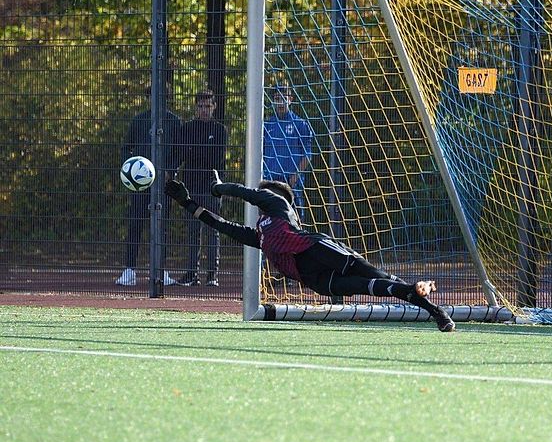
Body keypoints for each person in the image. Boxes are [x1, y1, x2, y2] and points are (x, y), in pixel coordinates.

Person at [163, 174, 455, 332]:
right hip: (312, 276)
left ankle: (436, 312)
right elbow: (222, 225)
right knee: (370, 286)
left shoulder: (278, 206)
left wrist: (219, 188)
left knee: (378, 279)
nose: (258, 193)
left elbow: (248, 193)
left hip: (319, 249)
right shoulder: (261, 235)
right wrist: (187, 202)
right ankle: (424, 298)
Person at [115, 102, 182, 287]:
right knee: (135, 225)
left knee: (162, 228)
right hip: (140, 185)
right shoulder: (140, 119)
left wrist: (171, 170)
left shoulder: (174, 121)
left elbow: (180, 150)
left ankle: (160, 271)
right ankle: (129, 270)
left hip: (163, 185)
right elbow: (126, 148)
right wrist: (128, 170)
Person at [174, 90, 228, 287]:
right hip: (191, 186)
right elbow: (181, 154)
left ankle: (212, 275)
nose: (204, 110)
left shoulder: (220, 130)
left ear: (214, 107)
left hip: (212, 188)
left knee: (213, 230)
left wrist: (194, 154)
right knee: (193, 230)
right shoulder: (186, 128)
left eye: (208, 106)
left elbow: (216, 159)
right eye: (200, 106)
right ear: (195, 108)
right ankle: (191, 274)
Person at [263, 86, 315, 214]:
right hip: (271, 181)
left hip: (291, 183)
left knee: (294, 219)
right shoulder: (267, 125)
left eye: (283, 99)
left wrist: (295, 176)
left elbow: (307, 154)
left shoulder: (300, 124)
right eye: (276, 99)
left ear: (290, 100)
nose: (280, 102)